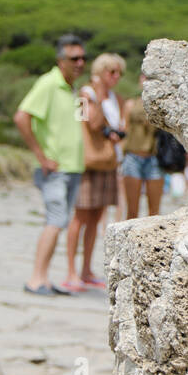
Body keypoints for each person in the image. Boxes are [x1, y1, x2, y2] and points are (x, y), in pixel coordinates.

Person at [15, 34, 87, 295]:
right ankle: (36, 278)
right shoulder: (48, 84)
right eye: (74, 58)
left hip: (73, 167)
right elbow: (22, 117)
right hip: (55, 169)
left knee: (61, 221)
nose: (80, 63)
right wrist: (41, 155)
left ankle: (44, 278)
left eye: (83, 58)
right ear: (60, 60)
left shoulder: (73, 89)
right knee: (55, 220)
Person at [63, 53, 125, 292]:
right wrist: (97, 97)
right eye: (112, 72)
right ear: (100, 72)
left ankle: (86, 269)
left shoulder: (116, 98)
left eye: (119, 72)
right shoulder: (85, 95)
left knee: (96, 217)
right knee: (80, 217)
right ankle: (71, 270)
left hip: (108, 162)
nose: (116, 77)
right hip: (87, 162)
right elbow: (87, 123)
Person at [120, 74, 163, 218]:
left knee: (154, 212)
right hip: (133, 156)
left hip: (154, 157)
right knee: (132, 211)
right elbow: (124, 130)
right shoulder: (131, 104)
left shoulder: (160, 105)